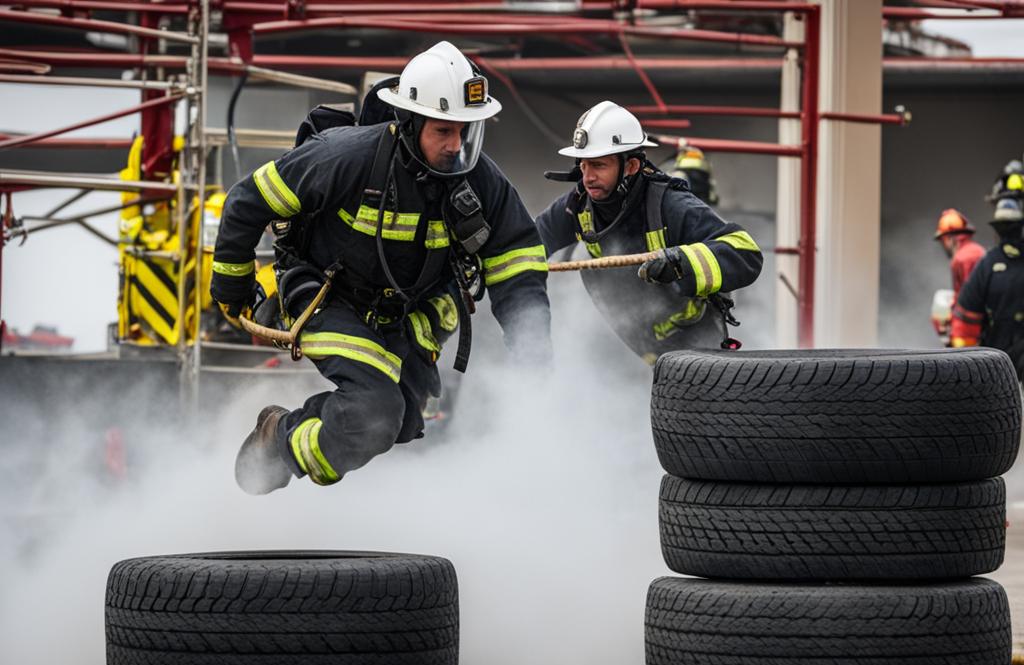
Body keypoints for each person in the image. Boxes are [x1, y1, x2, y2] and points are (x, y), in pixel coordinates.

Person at [211, 41, 551, 495]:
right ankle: (283, 444)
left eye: (467, 132)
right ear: (409, 124)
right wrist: (233, 292)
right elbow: (245, 203)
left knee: (402, 423)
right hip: (326, 298)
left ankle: (293, 429)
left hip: (405, 314)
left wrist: (533, 350)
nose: (456, 147)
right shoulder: (345, 157)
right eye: (443, 132)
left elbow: (518, 265)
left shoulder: (482, 181)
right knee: (375, 413)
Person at [535, 101, 762, 363]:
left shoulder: (671, 205)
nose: (587, 177)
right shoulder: (577, 205)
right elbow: (527, 245)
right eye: (583, 165)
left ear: (630, 166)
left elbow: (746, 251)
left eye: (598, 165)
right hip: (630, 347)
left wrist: (681, 263)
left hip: (695, 348)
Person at [950, 197, 1024, 378]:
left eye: (1012, 227)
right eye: (1004, 228)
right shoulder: (988, 264)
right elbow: (967, 315)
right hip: (997, 356)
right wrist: (967, 366)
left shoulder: (988, 264)